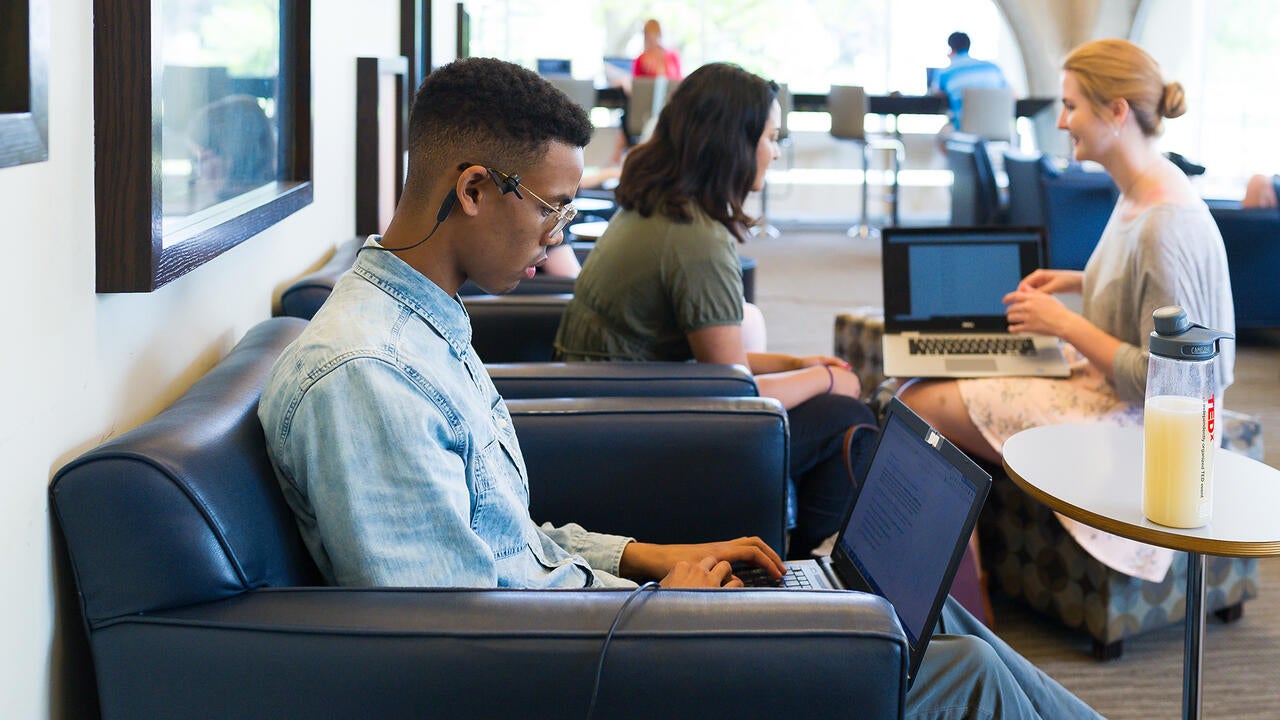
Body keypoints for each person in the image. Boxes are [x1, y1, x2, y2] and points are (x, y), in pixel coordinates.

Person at [258, 56, 1103, 720]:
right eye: (552, 210)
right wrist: (661, 613)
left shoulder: (423, 329)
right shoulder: (365, 377)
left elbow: (504, 547)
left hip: (604, 623)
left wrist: (649, 559)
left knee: (927, 618)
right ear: (475, 188)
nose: (557, 237)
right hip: (602, 669)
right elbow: (461, 649)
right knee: (960, 668)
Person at [554, 63, 878, 560]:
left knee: (828, 395)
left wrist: (799, 365)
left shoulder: (657, 204)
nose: (774, 150)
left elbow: (719, 362)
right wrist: (824, 380)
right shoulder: (696, 239)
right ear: (734, 143)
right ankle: (793, 562)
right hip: (652, 439)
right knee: (851, 419)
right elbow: (736, 390)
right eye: (770, 137)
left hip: (610, 417)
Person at [900, 38, 1235, 470]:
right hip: (1116, 398)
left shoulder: (1164, 222)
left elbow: (1171, 387)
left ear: (1116, 111)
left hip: (1148, 437)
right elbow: (1155, 297)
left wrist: (1065, 322)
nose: (1061, 121)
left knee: (915, 402)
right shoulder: (1147, 185)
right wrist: (1080, 280)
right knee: (930, 377)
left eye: (1071, 106)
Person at [613, 18, 684, 164]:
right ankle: (618, 159)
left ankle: (618, 159)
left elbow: (676, 84)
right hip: (656, 110)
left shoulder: (664, 58)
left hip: (657, 111)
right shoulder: (646, 59)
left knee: (627, 118)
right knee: (626, 118)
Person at [930, 31, 1009, 133]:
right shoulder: (994, 68)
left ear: (951, 49)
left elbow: (936, 93)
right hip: (999, 130)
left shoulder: (945, 72)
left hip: (964, 132)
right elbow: (1011, 94)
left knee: (941, 136)